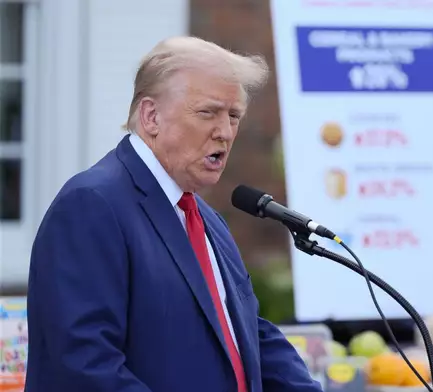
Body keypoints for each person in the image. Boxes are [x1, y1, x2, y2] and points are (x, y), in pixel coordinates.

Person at [25, 36, 323, 392]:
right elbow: (82, 365)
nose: (225, 132)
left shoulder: (205, 217)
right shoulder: (91, 205)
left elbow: (247, 332)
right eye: (207, 112)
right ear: (151, 116)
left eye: (233, 116)